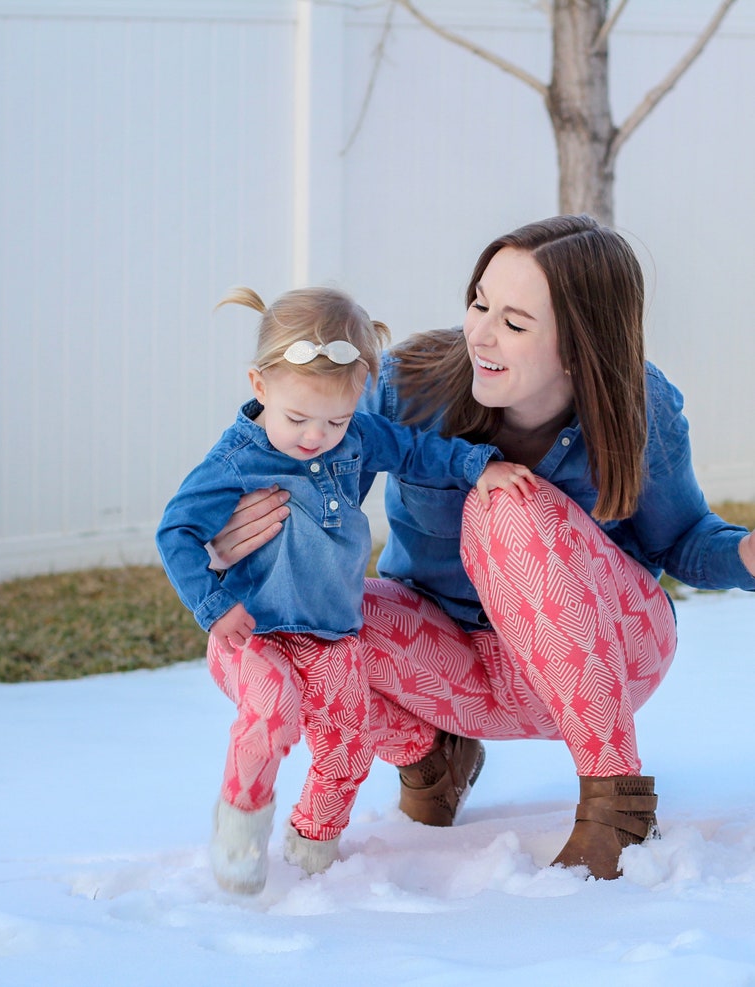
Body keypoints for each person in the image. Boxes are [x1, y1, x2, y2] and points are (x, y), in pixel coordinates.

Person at [210, 214, 755, 881]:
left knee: (505, 504)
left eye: (514, 322)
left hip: (606, 658)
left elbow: (683, 539)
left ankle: (618, 804)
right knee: (295, 615)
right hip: (451, 664)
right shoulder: (408, 386)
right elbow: (318, 502)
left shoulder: (640, 404)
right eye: (478, 303)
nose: (481, 333)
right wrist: (241, 543)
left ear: (578, 346)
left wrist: (746, 553)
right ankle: (431, 754)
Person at [155, 285, 517, 895]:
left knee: (346, 740)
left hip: (332, 633)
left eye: (336, 419)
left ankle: (314, 848)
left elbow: (414, 450)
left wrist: (477, 466)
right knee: (270, 714)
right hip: (256, 630)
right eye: (297, 418)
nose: (316, 436)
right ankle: (240, 830)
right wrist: (215, 607)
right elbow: (176, 531)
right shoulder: (236, 463)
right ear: (260, 386)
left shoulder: (355, 438)